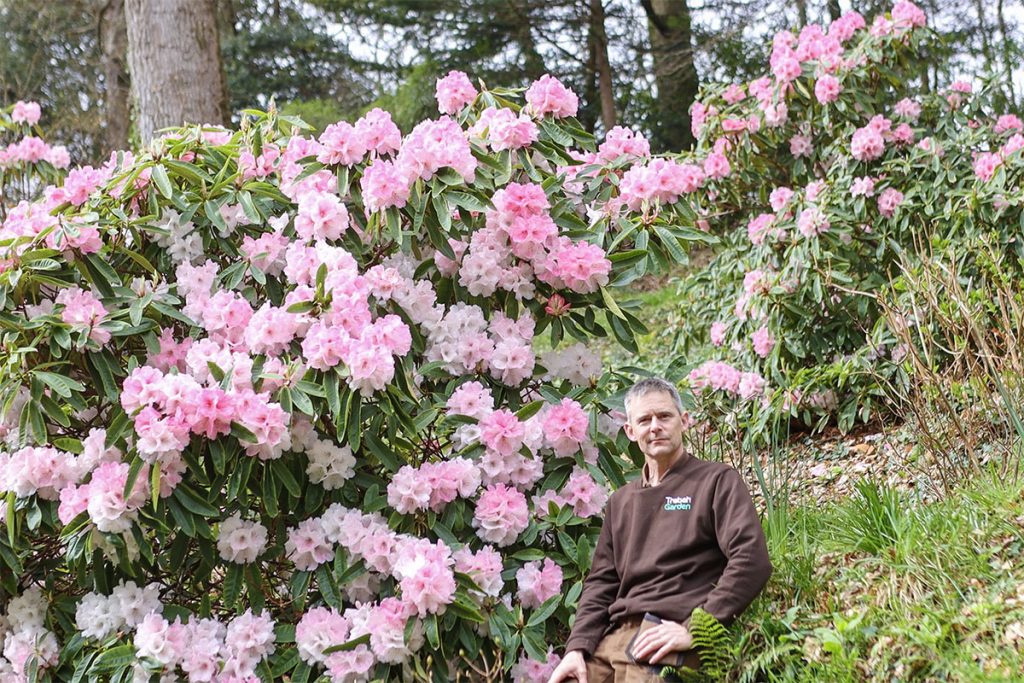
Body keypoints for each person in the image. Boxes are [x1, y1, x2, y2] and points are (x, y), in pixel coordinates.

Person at [547, 377, 773, 683]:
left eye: (664, 416)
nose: (655, 426)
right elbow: (601, 582)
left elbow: (751, 559)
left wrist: (696, 628)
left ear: (684, 421)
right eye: (644, 419)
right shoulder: (620, 501)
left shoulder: (716, 481)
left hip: (665, 635)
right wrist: (577, 648)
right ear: (630, 431)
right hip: (610, 641)